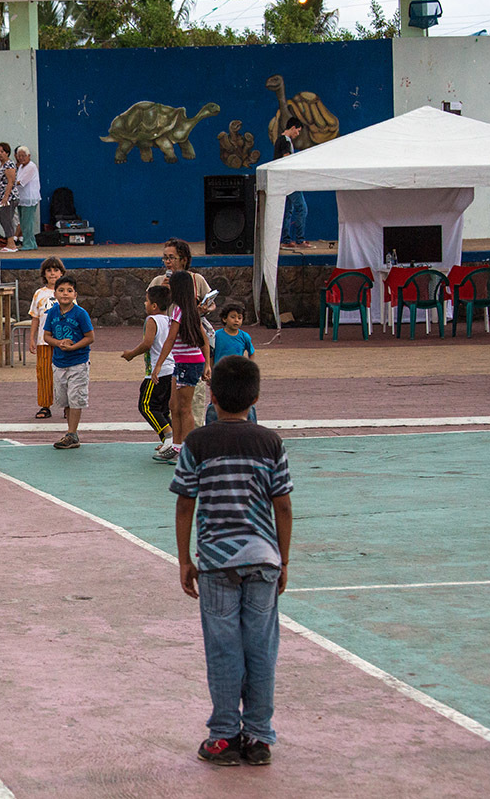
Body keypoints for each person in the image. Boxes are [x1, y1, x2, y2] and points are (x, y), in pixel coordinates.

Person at [171, 356, 293, 767]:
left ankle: (224, 735)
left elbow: (185, 504)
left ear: (213, 396)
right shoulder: (270, 442)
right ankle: (258, 737)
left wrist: (185, 559)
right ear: (255, 397)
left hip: (216, 563)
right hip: (263, 559)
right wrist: (284, 560)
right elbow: (284, 506)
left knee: (223, 649)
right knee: (261, 648)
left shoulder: (197, 444)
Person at [152, 271, 211, 464]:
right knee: (173, 406)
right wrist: (207, 362)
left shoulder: (180, 310)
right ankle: (176, 446)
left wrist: (158, 364)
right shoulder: (184, 309)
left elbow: (171, 339)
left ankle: (188, 449)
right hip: (181, 363)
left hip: (189, 363)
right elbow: (203, 339)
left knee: (185, 408)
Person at [122, 285, 175, 458]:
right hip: (170, 370)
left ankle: (169, 436)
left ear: (153, 306)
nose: (144, 303)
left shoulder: (152, 320)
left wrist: (131, 354)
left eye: (146, 301)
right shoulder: (170, 320)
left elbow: (148, 343)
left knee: (146, 406)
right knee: (162, 408)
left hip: (157, 371)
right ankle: (169, 442)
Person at [42, 275, 94, 450]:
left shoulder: (80, 314)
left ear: (75, 294)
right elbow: (47, 335)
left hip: (78, 362)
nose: (65, 294)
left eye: (69, 290)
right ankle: (71, 430)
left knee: (75, 397)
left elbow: (90, 337)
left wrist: (74, 347)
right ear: (55, 294)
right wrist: (58, 343)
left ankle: (72, 433)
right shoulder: (53, 313)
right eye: (61, 290)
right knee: (63, 398)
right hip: (58, 362)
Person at [206, 301, 257, 425]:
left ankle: (250, 426)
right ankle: (212, 427)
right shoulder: (216, 336)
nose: (236, 321)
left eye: (239, 318)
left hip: (238, 374)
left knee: (242, 399)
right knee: (216, 401)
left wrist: (250, 370)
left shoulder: (244, 337)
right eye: (233, 317)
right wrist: (210, 371)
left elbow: (251, 352)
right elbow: (211, 354)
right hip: (220, 374)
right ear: (224, 319)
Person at [28, 256, 65, 419]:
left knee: (64, 374)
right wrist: (32, 338)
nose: (52, 274)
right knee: (44, 374)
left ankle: (67, 405)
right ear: (44, 274)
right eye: (49, 270)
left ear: (62, 273)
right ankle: (45, 405)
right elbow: (35, 317)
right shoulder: (39, 294)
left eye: (56, 270)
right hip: (43, 341)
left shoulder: (67, 292)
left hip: (63, 341)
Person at [274, 117, 309, 247]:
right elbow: (286, 159)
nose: (298, 134)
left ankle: (286, 239)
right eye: (298, 131)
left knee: (288, 210)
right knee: (302, 208)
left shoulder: (279, 139)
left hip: (282, 181)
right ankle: (300, 238)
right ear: (293, 127)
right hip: (289, 180)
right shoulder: (285, 141)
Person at [14, 145, 40, 251]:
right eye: (19, 156)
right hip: (21, 198)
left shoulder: (31, 167)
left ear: (29, 156)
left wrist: (10, 182)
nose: (21, 158)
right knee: (23, 222)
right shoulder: (21, 167)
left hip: (29, 198)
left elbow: (21, 182)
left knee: (27, 222)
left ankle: (28, 243)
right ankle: (31, 242)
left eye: (23, 156)